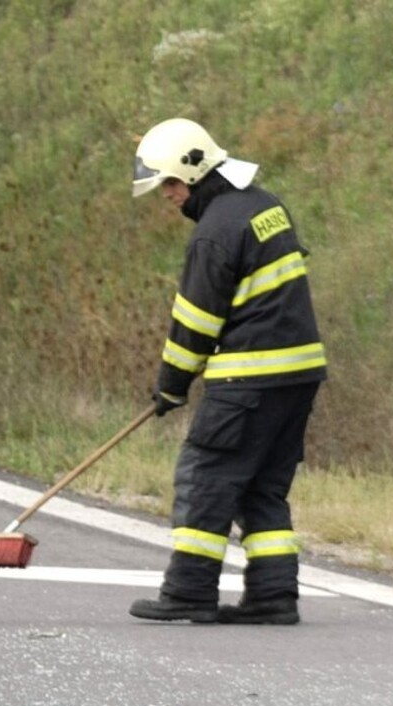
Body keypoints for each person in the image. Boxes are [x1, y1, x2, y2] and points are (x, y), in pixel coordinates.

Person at [127, 118, 327, 625]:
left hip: (248, 380)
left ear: (191, 174)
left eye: (169, 184)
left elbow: (194, 323)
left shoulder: (215, 232)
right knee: (262, 486)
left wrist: (170, 387)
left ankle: (189, 590)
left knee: (206, 476)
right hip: (299, 374)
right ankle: (274, 595)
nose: (168, 197)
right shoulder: (265, 206)